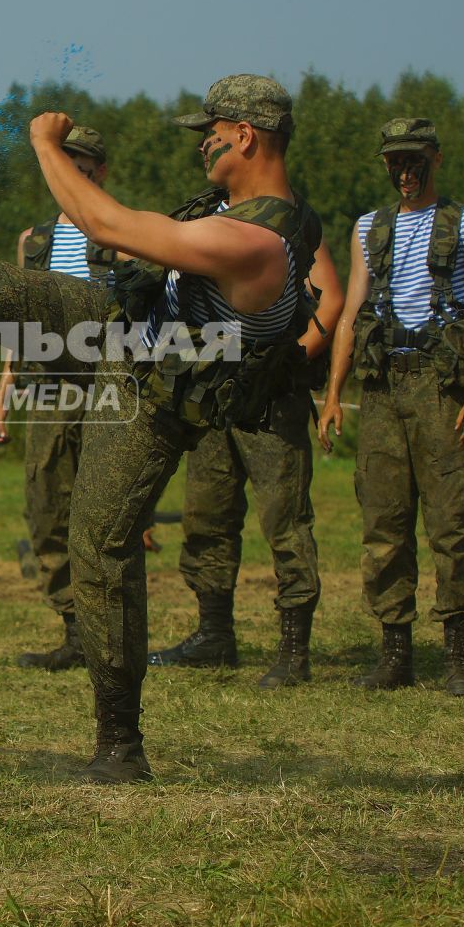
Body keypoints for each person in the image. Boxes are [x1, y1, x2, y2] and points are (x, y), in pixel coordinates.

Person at [0, 75, 323, 783]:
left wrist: (45, 145)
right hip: (120, 328)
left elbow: (107, 225)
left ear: (246, 135)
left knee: (99, 543)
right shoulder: (256, 214)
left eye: (210, 130)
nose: (201, 142)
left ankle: (119, 745)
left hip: (152, 391)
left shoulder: (258, 242)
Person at [318, 118, 464, 697]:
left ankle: (457, 658)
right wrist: (333, 395)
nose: (404, 169)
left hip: (442, 388)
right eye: (394, 159)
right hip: (382, 388)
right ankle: (395, 652)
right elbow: (349, 313)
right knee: (383, 523)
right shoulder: (368, 228)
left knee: (451, 521)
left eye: (414, 158)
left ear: (435, 158)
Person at [148, 189, 342, 686]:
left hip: (271, 398)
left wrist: (286, 358)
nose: (206, 144)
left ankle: (293, 651)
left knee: (285, 520)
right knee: (206, 514)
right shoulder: (208, 213)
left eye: (215, 133)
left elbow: (332, 299)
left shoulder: (290, 218)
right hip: (214, 393)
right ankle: (214, 634)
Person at [0, 125, 119, 672]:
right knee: (46, 506)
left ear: (99, 171)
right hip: (45, 386)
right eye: (64, 161)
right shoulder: (33, 240)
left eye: (83, 162)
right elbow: (20, 321)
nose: (73, 170)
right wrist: (4, 388)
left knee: (105, 512)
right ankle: (75, 631)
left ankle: (113, 633)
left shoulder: (122, 231)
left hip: (107, 386)